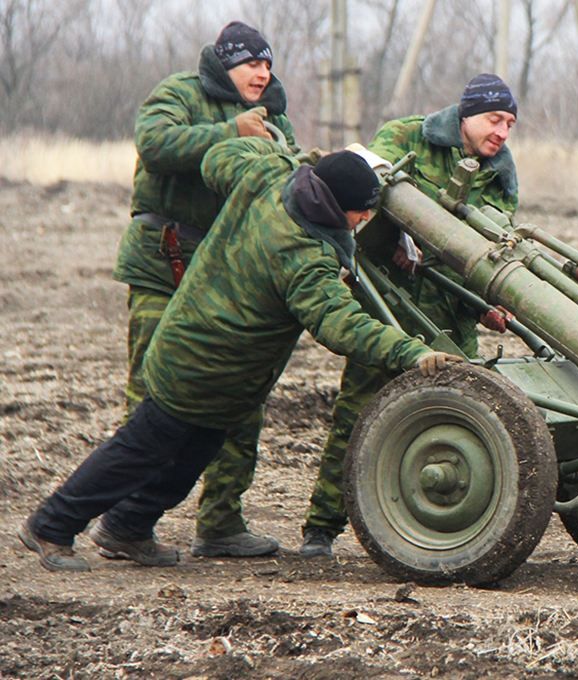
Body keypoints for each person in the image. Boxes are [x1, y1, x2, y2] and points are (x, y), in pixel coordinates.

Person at [18, 141, 460, 572]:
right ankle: (51, 525)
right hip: (200, 364)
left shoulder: (268, 176)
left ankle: (127, 527)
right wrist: (411, 352)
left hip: (211, 366)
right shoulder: (302, 254)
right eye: (361, 209)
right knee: (138, 451)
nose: (366, 218)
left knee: (190, 457)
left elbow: (218, 157)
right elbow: (341, 322)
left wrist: (278, 149)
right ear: (334, 204)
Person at [298, 73, 520, 557]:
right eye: (493, 119)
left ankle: (444, 528)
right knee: (359, 413)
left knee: (463, 415)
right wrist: (403, 237)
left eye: (509, 123)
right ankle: (321, 529)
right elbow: (368, 188)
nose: (502, 132)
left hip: (451, 320)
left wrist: (486, 305)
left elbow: (493, 246)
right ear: (465, 115)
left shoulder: (501, 175)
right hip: (391, 303)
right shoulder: (407, 137)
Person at [112, 21, 296, 559]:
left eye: (267, 64)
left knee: (238, 395)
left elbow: (288, 180)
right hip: (162, 264)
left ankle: (220, 523)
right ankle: (126, 524)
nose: (262, 73)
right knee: (151, 394)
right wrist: (230, 133)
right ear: (223, 65)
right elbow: (156, 142)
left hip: (226, 275)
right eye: (250, 65)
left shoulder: (276, 118)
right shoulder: (179, 93)